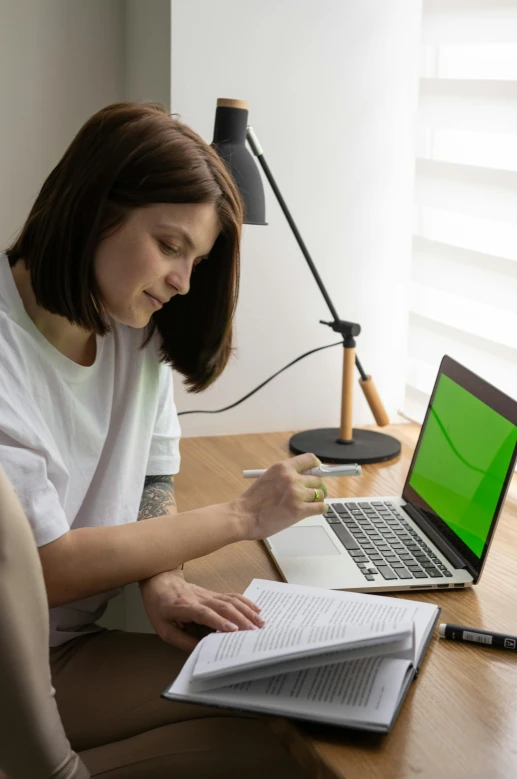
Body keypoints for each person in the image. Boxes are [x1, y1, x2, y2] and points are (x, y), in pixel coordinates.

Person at [0, 102, 328, 778]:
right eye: (170, 244)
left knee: (286, 713)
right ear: (95, 209)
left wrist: (163, 579)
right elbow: (42, 567)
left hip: (69, 648)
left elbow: (154, 472)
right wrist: (241, 515)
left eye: (197, 258)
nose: (182, 282)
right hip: (15, 668)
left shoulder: (132, 327)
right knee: (270, 747)